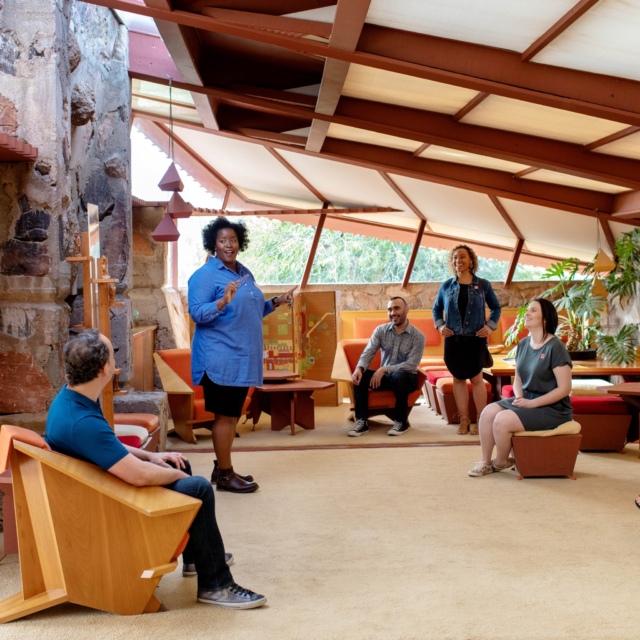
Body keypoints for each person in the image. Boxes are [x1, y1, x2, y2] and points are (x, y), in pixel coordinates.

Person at [45, 329, 267, 609]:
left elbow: (106, 445)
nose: (116, 362)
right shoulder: (81, 420)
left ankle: (196, 558)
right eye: (113, 355)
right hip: (106, 504)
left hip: (100, 486)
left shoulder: (72, 400)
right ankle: (217, 585)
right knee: (196, 486)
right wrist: (170, 473)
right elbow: (137, 476)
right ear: (104, 369)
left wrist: (153, 458)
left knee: (177, 461)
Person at [188, 217, 295, 493]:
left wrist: (276, 302)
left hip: (241, 359)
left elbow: (253, 310)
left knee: (232, 416)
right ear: (213, 244)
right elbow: (197, 313)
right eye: (223, 240)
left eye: (233, 240)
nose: (229, 245)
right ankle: (225, 475)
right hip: (219, 358)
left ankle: (220, 467)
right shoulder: (204, 276)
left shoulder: (244, 273)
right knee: (224, 417)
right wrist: (222, 301)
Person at [468, 298, 573, 477]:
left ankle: (500, 462)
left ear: (545, 318)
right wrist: (519, 397)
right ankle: (485, 462)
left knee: (502, 420)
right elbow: (518, 378)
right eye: (528, 310)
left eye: (533, 310)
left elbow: (564, 389)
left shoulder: (556, 347)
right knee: (487, 413)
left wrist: (532, 404)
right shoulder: (523, 344)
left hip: (552, 407)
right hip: (527, 398)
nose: (527, 314)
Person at [432, 244, 501, 435]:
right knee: (458, 378)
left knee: (477, 378)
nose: (458, 261)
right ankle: (463, 419)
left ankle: (481, 419)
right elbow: (436, 309)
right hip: (453, 340)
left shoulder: (483, 285)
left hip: (475, 339)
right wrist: (440, 326)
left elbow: (496, 308)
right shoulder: (446, 286)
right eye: (455, 258)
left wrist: (489, 326)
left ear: (471, 260)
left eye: (462, 257)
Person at [348, 296, 426, 437]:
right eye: (389, 309)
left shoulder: (418, 336)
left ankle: (401, 422)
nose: (392, 313)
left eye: (397, 308)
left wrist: (384, 369)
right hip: (386, 379)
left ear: (406, 310)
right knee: (361, 376)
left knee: (399, 375)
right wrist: (359, 369)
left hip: (407, 379)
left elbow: (411, 364)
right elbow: (369, 351)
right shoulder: (381, 331)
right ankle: (362, 421)